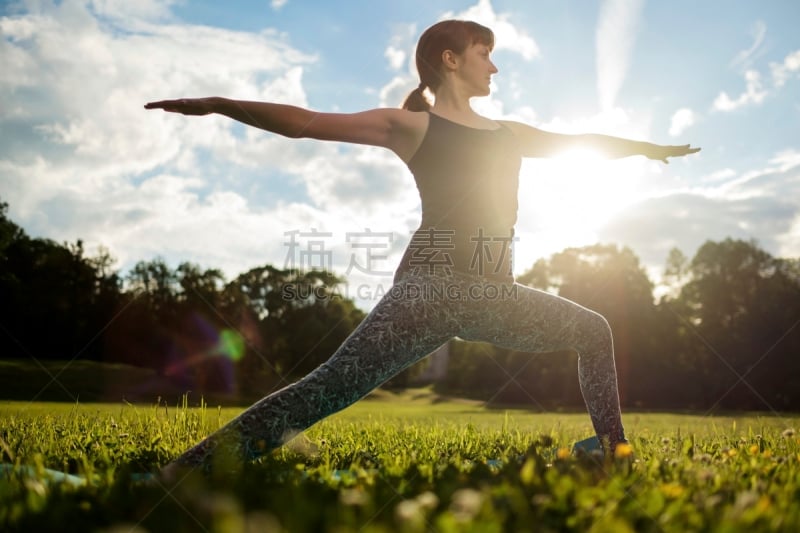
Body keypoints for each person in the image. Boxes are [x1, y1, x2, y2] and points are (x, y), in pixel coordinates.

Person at [145, 20, 699, 477]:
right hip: (430, 289)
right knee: (329, 389)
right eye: (485, 53)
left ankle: (611, 451)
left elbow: (580, 144)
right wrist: (219, 104)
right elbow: (305, 124)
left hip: (491, 291)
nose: (495, 66)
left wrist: (644, 148)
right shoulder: (412, 125)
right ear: (450, 59)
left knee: (592, 331)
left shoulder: (508, 133)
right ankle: (182, 471)